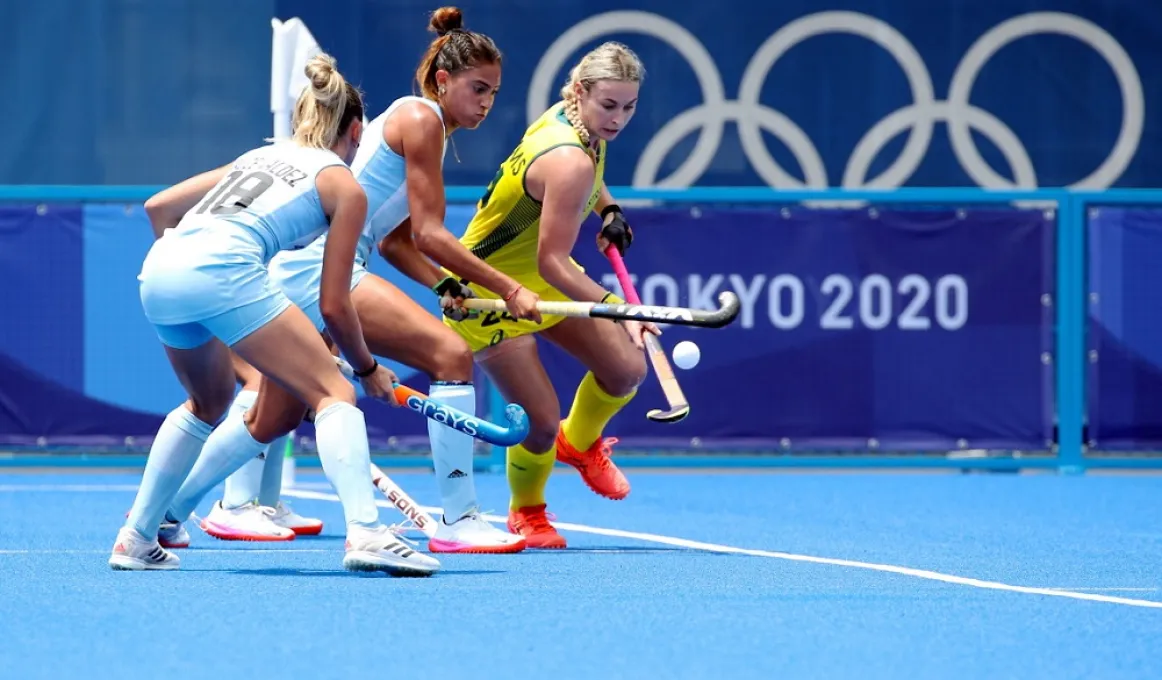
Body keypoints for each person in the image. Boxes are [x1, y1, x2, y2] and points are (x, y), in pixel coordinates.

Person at [165, 7, 537, 554]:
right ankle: (459, 520)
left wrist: (442, 286)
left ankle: (169, 512)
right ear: (443, 81)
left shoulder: (418, 121)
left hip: (299, 268)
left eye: (494, 92)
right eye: (478, 88)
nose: (487, 101)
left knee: (274, 416)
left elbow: (398, 240)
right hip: (323, 267)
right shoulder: (423, 119)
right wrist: (508, 288)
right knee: (451, 355)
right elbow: (434, 234)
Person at [109, 53, 439, 577]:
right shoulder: (344, 186)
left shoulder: (255, 158)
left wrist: (198, 292)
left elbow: (158, 208)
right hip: (223, 273)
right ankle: (368, 533)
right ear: (357, 131)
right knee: (335, 393)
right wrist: (368, 368)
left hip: (161, 271)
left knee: (208, 401)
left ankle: (137, 537)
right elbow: (334, 304)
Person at [401, 41, 652, 549]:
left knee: (627, 370)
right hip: (487, 290)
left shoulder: (566, 118)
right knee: (537, 422)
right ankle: (528, 512)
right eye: (609, 105)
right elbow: (552, 261)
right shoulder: (568, 159)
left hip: (538, 279)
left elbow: (587, 176)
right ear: (581, 92)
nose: (618, 119)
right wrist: (616, 309)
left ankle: (578, 445)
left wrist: (607, 209)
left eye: (629, 107)